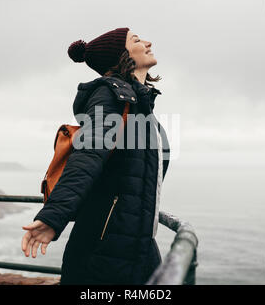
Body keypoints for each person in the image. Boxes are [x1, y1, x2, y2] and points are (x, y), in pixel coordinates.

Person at [21, 27, 170, 284]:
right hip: (105, 248)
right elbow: (88, 155)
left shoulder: (141, 105)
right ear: (121, 54)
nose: (147, 42)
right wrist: (53, 217)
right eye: (135, 39)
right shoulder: (110, 94)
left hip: (137, 243)